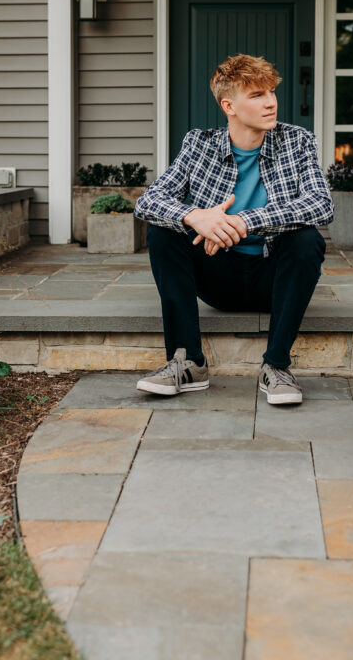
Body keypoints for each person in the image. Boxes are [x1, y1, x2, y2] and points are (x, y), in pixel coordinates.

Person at [133, 53, 334, 406]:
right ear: (229, 105)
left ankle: (276, 366)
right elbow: (148, 201)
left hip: (274, 279)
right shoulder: (199, 144)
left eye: (271, 92)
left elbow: (321, 204)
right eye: (257, 95)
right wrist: (198, 218)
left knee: (306, 239)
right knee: (163, 232)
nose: (271, 102)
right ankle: (188, 362)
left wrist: (243, 222)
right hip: (218, 277)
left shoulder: (297, 141)